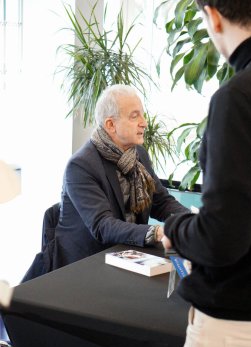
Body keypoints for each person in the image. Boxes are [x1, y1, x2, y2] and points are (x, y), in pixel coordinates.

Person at [162, 1, 251, 347]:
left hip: (233, 329)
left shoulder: (238, 98)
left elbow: (222, 239)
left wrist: (173, 230)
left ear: (212, 16)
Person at [54, 84, 188, 268]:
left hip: (128, 255)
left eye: (142, 114)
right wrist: (157, 232)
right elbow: (103, 226)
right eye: (135, 116)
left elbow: (161, 201)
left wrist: (189, 220)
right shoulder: (81, 165)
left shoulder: (138, 154)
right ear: (111, 124)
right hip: (86, 265)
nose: (144, 122)